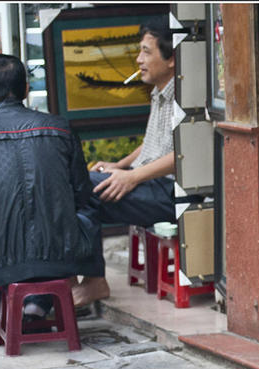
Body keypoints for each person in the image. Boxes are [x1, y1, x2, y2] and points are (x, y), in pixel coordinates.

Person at [0, 53, 101, 342]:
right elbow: (82, 195)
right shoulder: (61, 128)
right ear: (26, 89)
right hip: (61, 253)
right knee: (59, 231)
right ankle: (36, 308)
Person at [70, 17, 200, 307]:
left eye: (146, 52)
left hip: (170, 193)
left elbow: (186, 151)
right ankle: (80, 278)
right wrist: (120, 166)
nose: (139, 60)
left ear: (171, 59)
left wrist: (133, 177)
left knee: (80, 188)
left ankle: (93, 282)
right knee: (79, 188)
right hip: (148, 182)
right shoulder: (160, 91)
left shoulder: (185, 95)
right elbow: (153, 144)